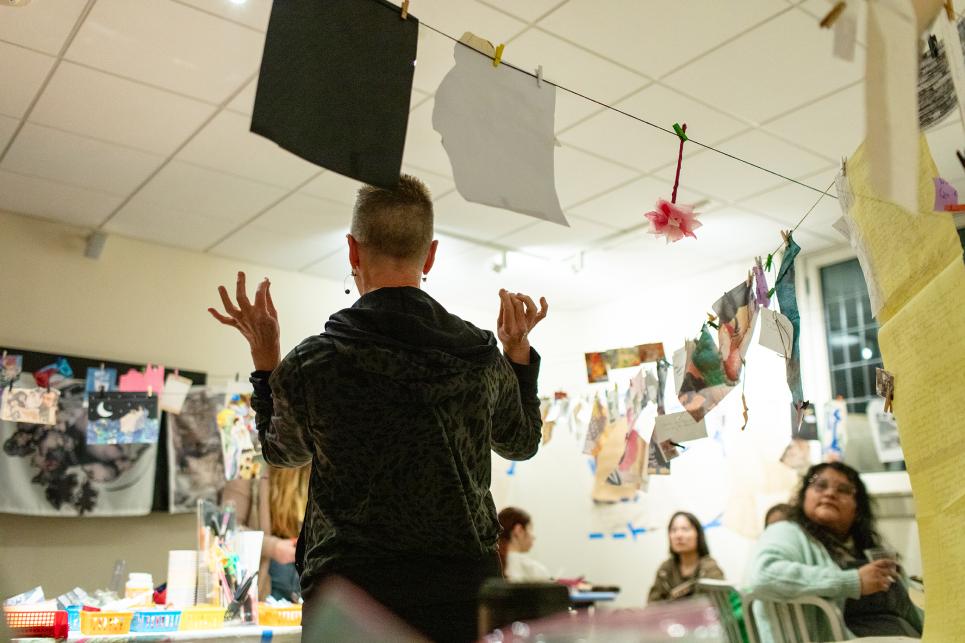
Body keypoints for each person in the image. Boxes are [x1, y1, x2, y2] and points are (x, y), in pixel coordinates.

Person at [208, 175, 548, 643]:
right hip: (461, 592)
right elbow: (521, 442)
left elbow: (282, 452)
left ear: (352, 251)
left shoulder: (317, 362)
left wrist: (266, 363)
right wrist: (518, 357)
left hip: (351, 597)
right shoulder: (482, 360)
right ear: (430, 255)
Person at [745, 462, 923, 641]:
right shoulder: (786, 531)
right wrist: (853, 581)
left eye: (843, 490)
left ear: (857, 507)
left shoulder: (860, 545)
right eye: (820, 485)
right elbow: (763, 574)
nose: (830, 493)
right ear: (804, 496)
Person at [221, 464, 309, 601]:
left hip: (312, 578)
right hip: (268, 579)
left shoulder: (322, 460)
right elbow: (227, 530)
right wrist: (273, 547)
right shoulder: (248, 463)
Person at [648, 511, 724, 602]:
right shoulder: (665, 570)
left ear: (698, 535)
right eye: (674, 530)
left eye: (685, 529)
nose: (678, 535)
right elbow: (652, 606)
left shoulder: (710, 568)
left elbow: (720, 605)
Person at [497, 507, 550, 582]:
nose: (534, 537)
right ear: (519, 530)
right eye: (530, 529)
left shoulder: (491, 566)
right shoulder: (536, 571)